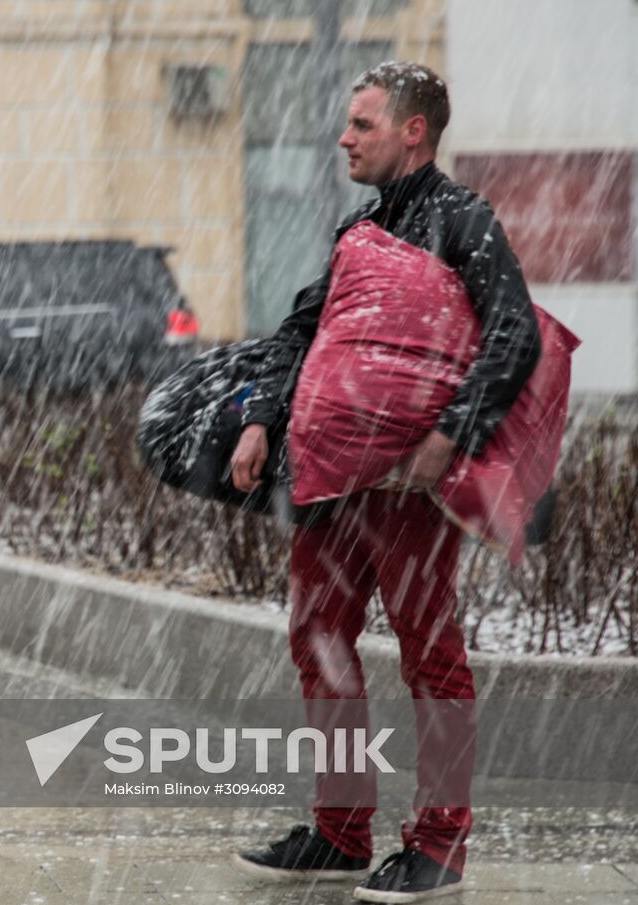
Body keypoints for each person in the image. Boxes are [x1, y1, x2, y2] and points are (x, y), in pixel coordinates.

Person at [227, 62, 542, 903]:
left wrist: (452, 434)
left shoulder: (463, 221)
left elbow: (514, 334)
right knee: (318, 637)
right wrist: (261, 413)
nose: (344, 136)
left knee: (429, 654)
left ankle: (440, 844)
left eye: (362, 123)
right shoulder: (356, 230)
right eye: (347, 122)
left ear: (413, 130)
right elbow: (303, 328)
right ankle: (340, 832)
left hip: (410, 480)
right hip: (331, 476)